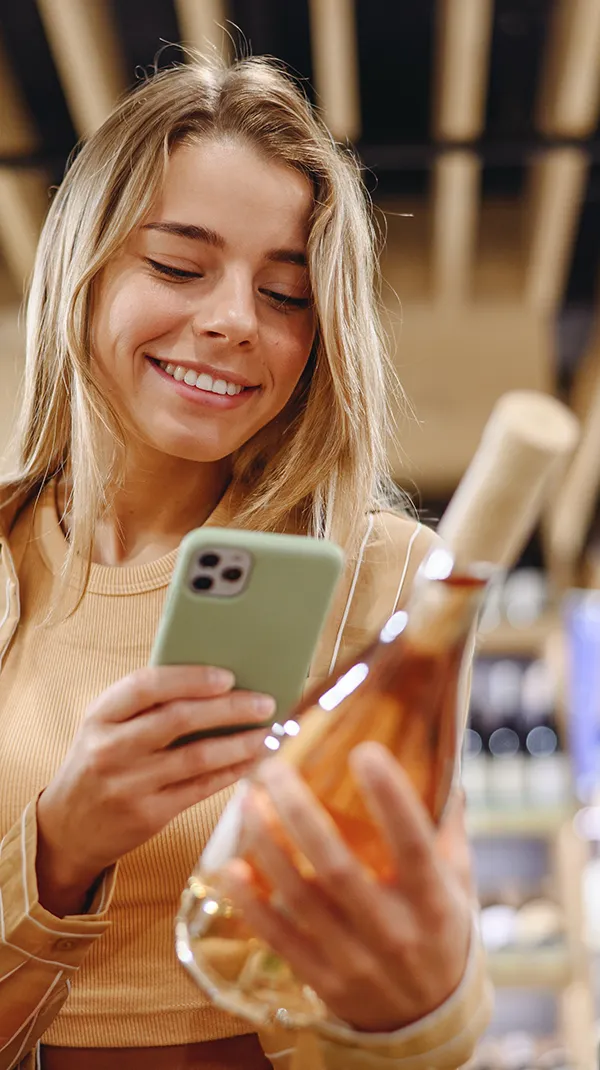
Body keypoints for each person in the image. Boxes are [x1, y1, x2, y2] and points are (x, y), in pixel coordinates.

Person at [0, 55, 492, 1070]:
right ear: (80, 273)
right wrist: (57, 848)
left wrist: (429, 995)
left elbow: (429, 988)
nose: (234, 319)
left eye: (285, 293)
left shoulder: (385, 574)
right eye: (180, 266)